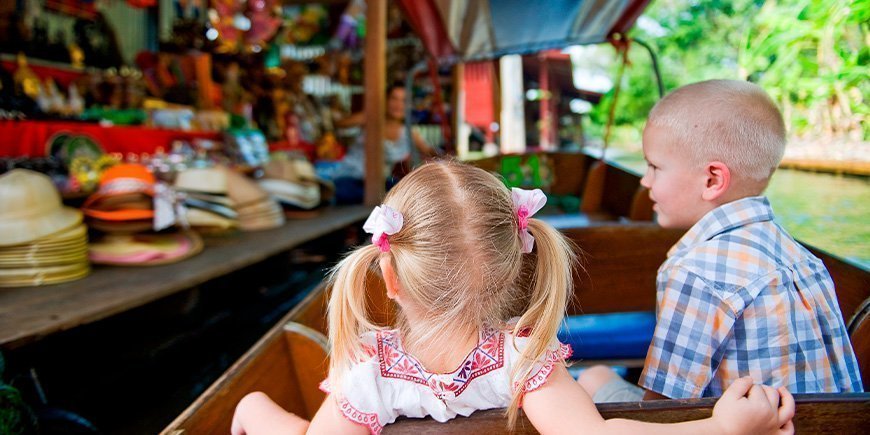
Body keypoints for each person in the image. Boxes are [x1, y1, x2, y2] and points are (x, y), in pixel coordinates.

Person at [231, 161, 794, 435]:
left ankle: (250, 408)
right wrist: (720, 427)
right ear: (512, 272)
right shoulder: (523, 362)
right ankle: (254, 410)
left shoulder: (365, 371)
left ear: (391, 278)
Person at [578, 79, 863, 403]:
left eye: (655, 167)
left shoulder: (694, 271)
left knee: (592, 376)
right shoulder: (801, 258)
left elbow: (664, 407)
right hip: (831, 423)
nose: (645, 181)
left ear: (713, 180)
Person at [331, 83, 437, 204]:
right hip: (349, 179)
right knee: (349, 194)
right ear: (385, 101)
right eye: (394, 99)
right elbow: (338, 124)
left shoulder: (408, 133)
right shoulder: (370, 118)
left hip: (378, 184)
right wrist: (367, 116)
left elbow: (431, 151)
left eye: (403, 100)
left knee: (408, 193)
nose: (398, 105)